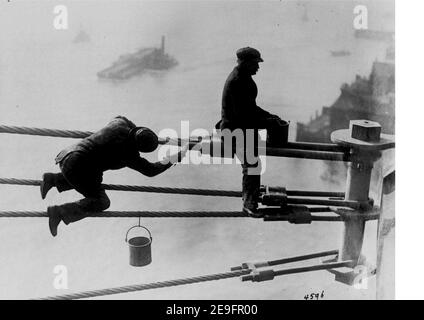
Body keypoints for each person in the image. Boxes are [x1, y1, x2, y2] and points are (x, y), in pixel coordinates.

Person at [40, 116, 189, 237]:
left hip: (66, 156)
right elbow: (151, 170)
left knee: (90, 178)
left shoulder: (120, 124)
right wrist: (173, 158)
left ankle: (53, 180)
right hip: (78, 168)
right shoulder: (129, 154)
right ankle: (58, 212)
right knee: (101, 201)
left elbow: (120, 116)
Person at [217, 47, 284, 217]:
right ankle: (249, 204)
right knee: (252, 165)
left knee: (254, 164)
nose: (258, 67)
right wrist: (269, 122)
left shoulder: (242, 78)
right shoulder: (238, 81)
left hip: (239, 127)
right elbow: (244, 116)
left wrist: (270, 116)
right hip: (234, 131)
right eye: (256, 63)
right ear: (246, 63)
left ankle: (252, 193)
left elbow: (250, 109)